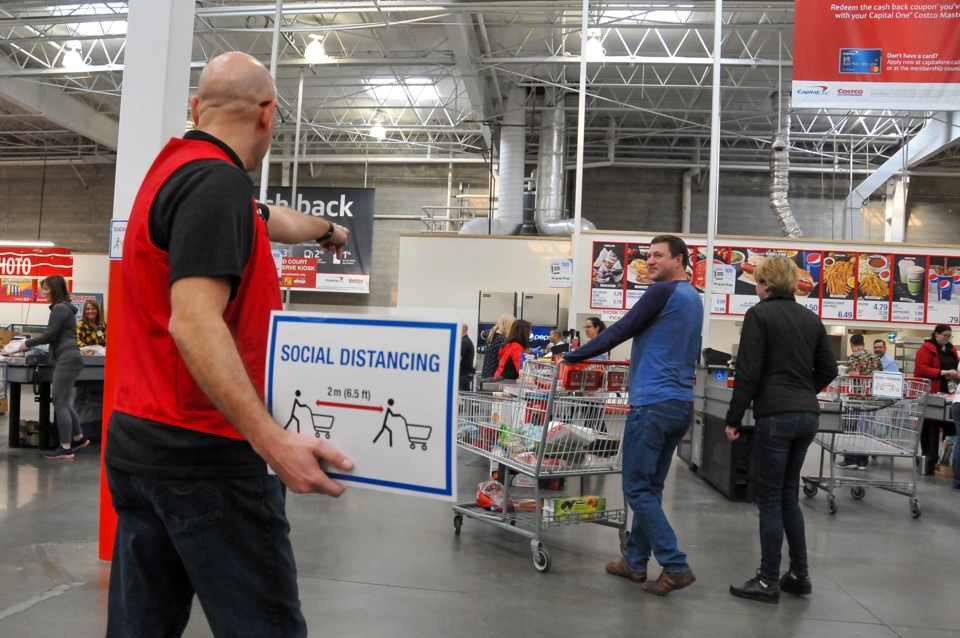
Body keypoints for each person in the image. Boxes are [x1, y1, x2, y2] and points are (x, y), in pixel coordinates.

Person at [104, 52, 354, 638]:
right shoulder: (217, 185)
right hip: (208, 460)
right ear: (268, 115)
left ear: (196, 109)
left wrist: (327, 231)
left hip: (141, 447)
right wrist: (273, 442)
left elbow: (266, 217)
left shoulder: (174, 175)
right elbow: (194, 323)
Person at [564, 235, 702, 596]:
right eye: (648, 255)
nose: (650, 261)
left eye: (658, 255)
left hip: (652, 404)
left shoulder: (663, 292)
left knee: (636, 487)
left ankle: (675, 564)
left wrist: (572, 356)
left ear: (679, 259)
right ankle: (635, 563)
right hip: (680, 404)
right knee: (650, 489)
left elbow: (622, 329)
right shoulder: (693, 298)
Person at [724, 255, 838, 604]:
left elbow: (749, 371)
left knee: (770, 499)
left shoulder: (759, 314)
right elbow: (829, 369)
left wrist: (733, 417)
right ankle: (799, 576)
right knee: (788, 496)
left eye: (757, 282)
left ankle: (767, 580)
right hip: (807, 415)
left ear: (766, 285)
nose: (756, 288)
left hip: (776, 416)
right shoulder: (811, 318)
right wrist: (804, 391)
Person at [18, 275, 89, 459]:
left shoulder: (59, 308)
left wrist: (27, 344)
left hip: (66, 359)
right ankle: (78, 438)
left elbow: (50, 334)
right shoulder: (64, 308)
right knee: (64, 401)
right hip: (70, 358)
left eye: (47, 288)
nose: (44, 292)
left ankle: (65, 448)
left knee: (59, 403)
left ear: (55, 289)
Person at [914, 324, 959, 474]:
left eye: (949, 336)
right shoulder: (926, 349)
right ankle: (929, 463)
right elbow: (921, 369)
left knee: (950, 429)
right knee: (930, 428)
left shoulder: (951, 349)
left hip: (950, 394)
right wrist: (942, 372)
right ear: (936, 334)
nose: (948, 338)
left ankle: (947, 463)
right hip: (932, 394)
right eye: (945, 335)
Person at [837, 334, 883, 470]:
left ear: (852, 345)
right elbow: (880, 375)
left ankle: (850, 459)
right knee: (865, 430)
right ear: (863, 343)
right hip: (872, 400)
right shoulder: (875, 357)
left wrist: (845, 371)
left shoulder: (855, 357)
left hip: (856, 399)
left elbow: (854, 374)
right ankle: (863, 461)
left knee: (850, 428)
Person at [480, 313, 515, 379]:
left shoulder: (491, 335)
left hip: (486, 373)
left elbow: (482, 333)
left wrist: (495, 328)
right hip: (496, 376)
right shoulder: (503, 340)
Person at [459, 323, 475, 391]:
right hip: (466, 374)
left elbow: (458, 359)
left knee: (464, 396)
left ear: (463, 329)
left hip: (463, 375)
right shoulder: (467, 341)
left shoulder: (464, 342)